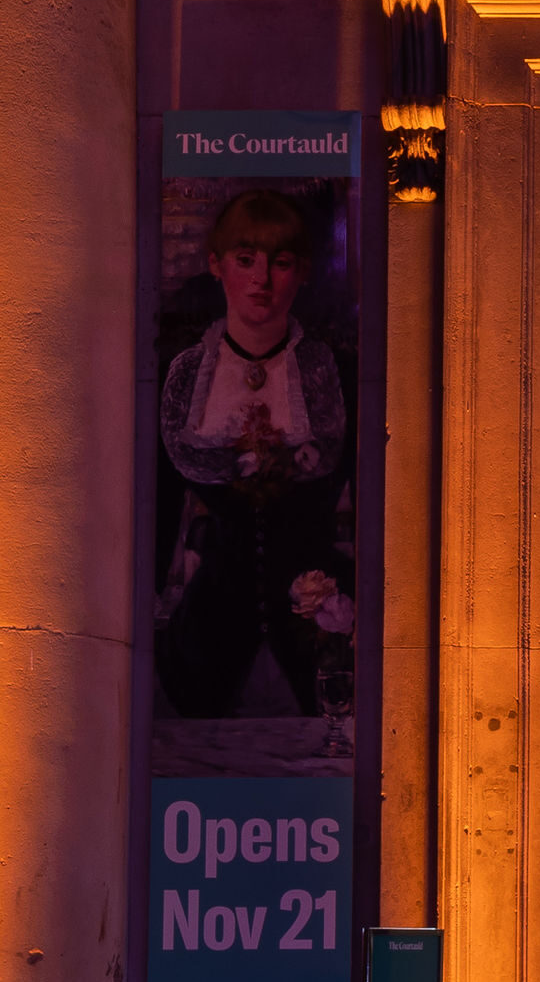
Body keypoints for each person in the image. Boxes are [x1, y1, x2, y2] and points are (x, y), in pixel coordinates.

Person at [156, 189, 354, 718]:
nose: (261, 281)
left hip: (322, 634)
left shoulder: (334, 375)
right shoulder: (185, 377)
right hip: (208, 636)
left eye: (280, 262)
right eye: (245, 261)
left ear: (303, 271)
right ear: (216, 266)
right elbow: (158, 509)